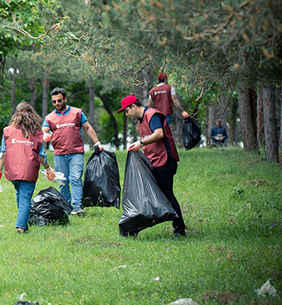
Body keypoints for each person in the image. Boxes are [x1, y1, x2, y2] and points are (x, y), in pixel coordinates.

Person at [117, 95, 187, 236]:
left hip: (165, 160)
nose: (127, 115)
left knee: (166, 195)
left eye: (126, 111)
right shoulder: (140, 121)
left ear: (134, 106)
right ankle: (134, 228)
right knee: (148, 194)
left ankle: (180, 229)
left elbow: (159, 134)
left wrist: (141, 143)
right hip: (154, 161)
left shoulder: (152, 115)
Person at [0, 102, 55, 233]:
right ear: (32, 115)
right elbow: (41, 155)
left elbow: (2, 152)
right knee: (25, 198)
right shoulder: (37, 133)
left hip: (13, 170)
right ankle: (21, 228)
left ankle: (25, 224)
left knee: (20, 194)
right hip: (29, 170)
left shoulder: (7, 130)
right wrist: (48, 168)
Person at [42, 87, 103, 216]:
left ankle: (77, 207)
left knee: (75, 178)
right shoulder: (49, 117)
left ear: (65, 99)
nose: (57, 104)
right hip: (59, 154)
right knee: (63, 182)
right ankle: (66, 207)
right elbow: (44, 130)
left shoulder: (77, 113)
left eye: (59, 100)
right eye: (54, 102)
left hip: (76, 153)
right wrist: (44, 135)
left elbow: (88, 127)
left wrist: (97, 142)